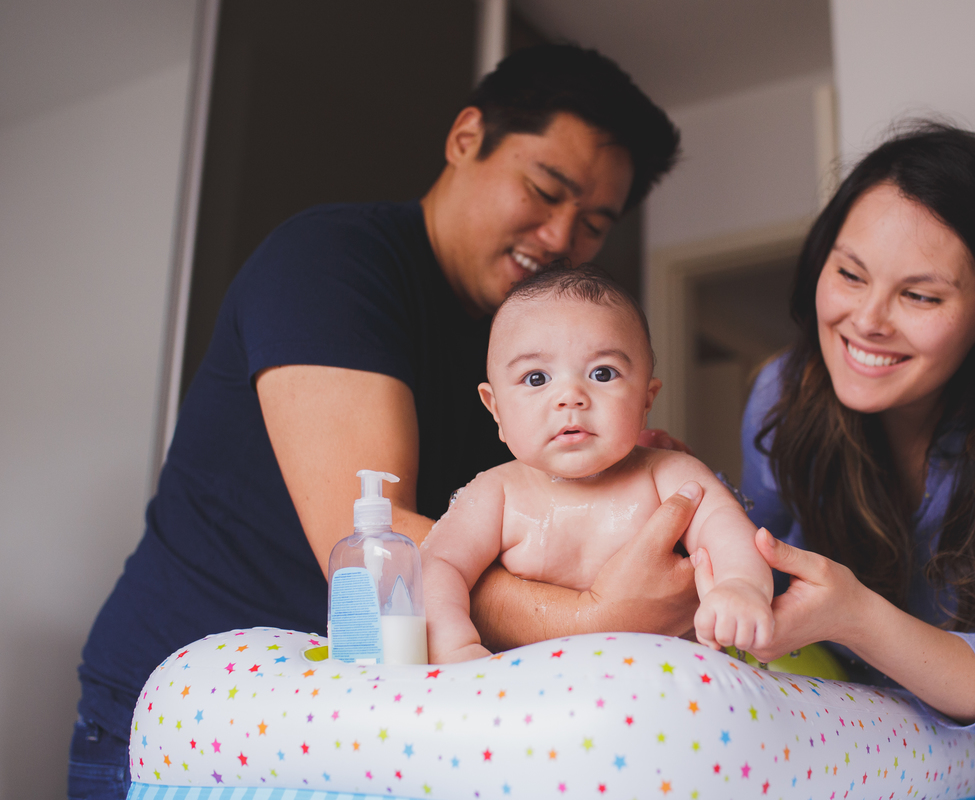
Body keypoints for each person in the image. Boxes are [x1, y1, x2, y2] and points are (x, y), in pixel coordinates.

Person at [70, 45, 699, 800]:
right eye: (544, 189)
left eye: (595, 223)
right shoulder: (331, 263)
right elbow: (372, 546)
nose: (563, 238)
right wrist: (598, 615)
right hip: (183, 726)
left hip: (347, 725)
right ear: (466, 138)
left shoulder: (525, 350)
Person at [700, 122, 975, 800]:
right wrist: (686, 507)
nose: (868, 320)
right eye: (850, 274)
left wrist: (856, 616)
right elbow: (749, 561)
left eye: (920, 296)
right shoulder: (782, 393)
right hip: (900, 769)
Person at [421, 265, 774, 663]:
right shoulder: (495, 493)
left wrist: (740, 586)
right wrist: (454, 645)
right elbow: (437, 565)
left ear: (645, 399)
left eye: (602, 373)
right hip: (531, 694)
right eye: (536, 378)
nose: (570, 396)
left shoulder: (669, 475)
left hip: (660, 692)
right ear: (496, 409)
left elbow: (726, 530)